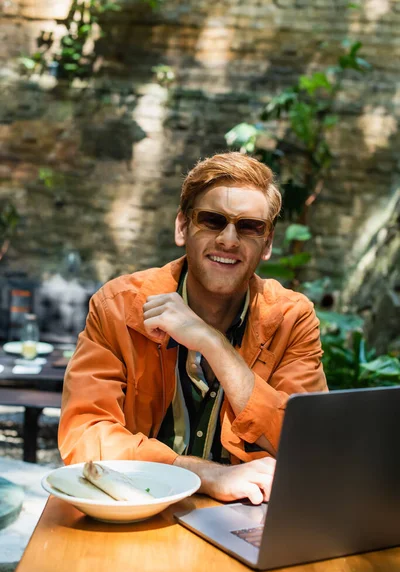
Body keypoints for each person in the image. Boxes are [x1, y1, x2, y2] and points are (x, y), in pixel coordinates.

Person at [59, 152, 328, 505]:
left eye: (249, 226)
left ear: (268, 242)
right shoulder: (119, 306)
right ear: (182, 227)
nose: (229, 240)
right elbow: (84, 434)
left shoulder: (292, 318)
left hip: (245, 516)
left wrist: (214, 345)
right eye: (212, 220)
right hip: (135, 509)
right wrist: (203, 474)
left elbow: (311, 445)